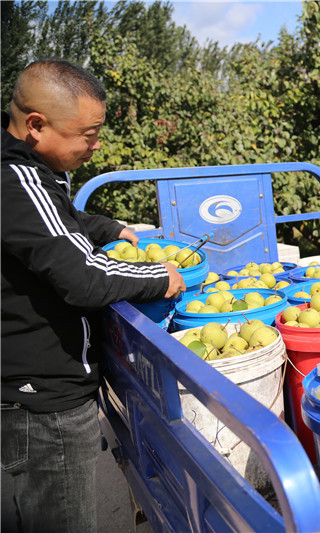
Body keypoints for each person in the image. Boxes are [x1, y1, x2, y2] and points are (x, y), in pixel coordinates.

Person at [1, 59, 185, 533]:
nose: (96, 145)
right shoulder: (15, 180)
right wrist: (158, 278)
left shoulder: (31, 171)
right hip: (41, 409)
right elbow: (83, 275)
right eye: (88, 133)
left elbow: (57, 225)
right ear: (37, 126)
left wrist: (110, 228)